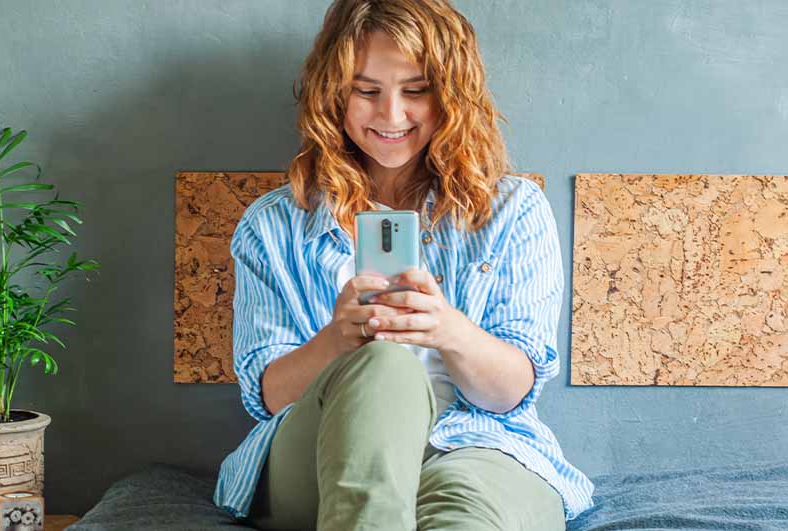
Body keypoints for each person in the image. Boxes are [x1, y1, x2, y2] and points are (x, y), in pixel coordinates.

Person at [213, 0, 594, 529]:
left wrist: (449, 331)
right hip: (321, 451)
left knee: (466, 516)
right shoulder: (274, 226)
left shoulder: (513, 211)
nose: (391, 115)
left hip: (476, 443)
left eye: (415, 91)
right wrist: (337, 342)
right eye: (367, 91)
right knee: (385, 365)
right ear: (334, 94)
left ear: (450, 95)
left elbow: (510, 394)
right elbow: (271, 398)